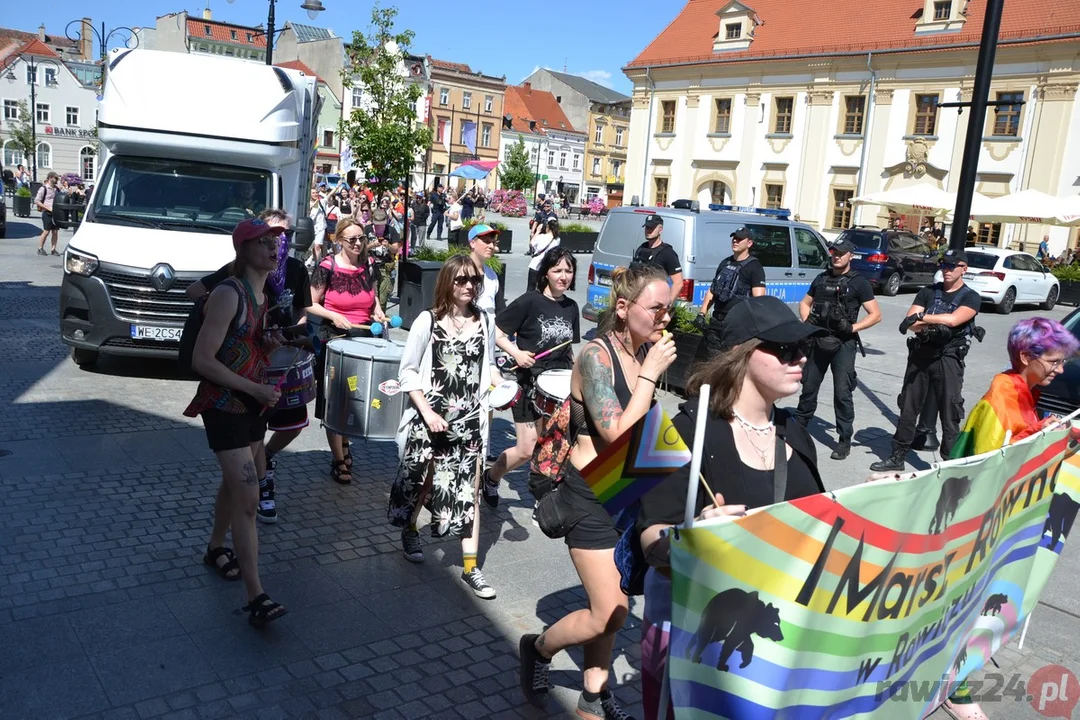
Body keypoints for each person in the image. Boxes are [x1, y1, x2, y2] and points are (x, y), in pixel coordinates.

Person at [635, 295, 827, 720]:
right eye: (783, 348)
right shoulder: (686, 430)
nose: (799, 358)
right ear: (742, 353)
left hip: (780, 649)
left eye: (803, 348)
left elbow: (818, 524)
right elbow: (648, 536)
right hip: (696, 648)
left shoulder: (795, 433)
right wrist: (694, 535)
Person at [518, 263, 676, 720]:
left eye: (669, 309)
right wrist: (650, 373)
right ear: (624, 308)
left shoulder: (641, 350)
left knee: (615, 597)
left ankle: (593, 691)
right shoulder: (594, 355)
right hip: (587, 493)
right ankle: (540, 647)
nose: (664, 318)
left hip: (627, 489)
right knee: (612, 611)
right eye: (656, 308)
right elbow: (615, 434)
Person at [186, 209, 342, 522]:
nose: (278, 241)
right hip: (243, 376)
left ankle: (264, 465)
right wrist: (228, 324)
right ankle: (260, 485)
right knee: (244, 463)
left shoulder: (295, 268)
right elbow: (195, 293)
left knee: (294, 423)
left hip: (279, 359)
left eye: (283, 234)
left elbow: (302, 308)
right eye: (272, 234)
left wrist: (295, 332)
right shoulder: (236, 278)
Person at [183, 218, 289, 627]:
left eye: (275, 243)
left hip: (251, 402)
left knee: (245, 476)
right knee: (248, 499)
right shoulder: (229, 293)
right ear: (242, 249)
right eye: (263, 244)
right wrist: (257, 388)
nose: (272, 250)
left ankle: (214, 549)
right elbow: (202, 360)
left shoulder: (260, 296)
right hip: (224, 404)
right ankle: (256, 596)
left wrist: (266, 342)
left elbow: (239, 343)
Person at [389, 255, 501, 597]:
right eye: (461, 280)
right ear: (447, 283)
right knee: (422, 482)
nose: (469, 286)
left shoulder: (485, 321)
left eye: (474, 281)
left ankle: (470, 568)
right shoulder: (428, 321)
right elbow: (407, 372)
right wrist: (428, 413)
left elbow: (491, 365)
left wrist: (500, 386)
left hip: (468, 422)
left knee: (469, 493)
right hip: (430, 418)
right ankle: (410, 528)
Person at [485, 248, 580, 506]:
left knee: (555, 446)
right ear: (545, 273)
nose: (563, 276)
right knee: (527, 449)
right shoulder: (529, 301)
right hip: (529, 383)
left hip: (559, 387)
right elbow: (496, 332)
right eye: (557, 270)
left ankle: (544, 499)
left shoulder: (572, 307)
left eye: (568, 271)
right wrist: (517, 353)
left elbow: (568, 348)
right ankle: (491, 478)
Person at [871, 249, 981, 472]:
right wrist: (921, 321)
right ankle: (897, 456)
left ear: (964, 269)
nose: (947, 270)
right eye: (944, 265)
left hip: (948, 358)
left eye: (952, 266)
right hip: (921, 355)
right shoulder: (928, 292)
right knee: (908, 407)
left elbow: (952, 320)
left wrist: (922, 317)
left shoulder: (971, 297)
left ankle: (950, 465)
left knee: (950, 413)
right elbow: (909, 323)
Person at [310, 217, 390, 484]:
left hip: (364, 337)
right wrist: (333, 316)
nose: (358, 244)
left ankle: (344, 444)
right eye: (352, 240)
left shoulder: (368, 264)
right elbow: (309, 304)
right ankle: (339, 458)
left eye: (361, 239)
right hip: (334, 338)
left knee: (356, 396)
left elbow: (373, 295)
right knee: (336, 400)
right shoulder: (326, 266)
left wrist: (377, 311)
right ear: (339, 240)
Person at [794, 237, 882, 459]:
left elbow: (876, 315)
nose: (837, 256)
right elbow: (804, 303)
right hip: (818, 340)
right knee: (809, 387)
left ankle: (844, 440)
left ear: (850, 255)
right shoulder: (821, 279)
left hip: (843, 343)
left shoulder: (858, 282)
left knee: (842, 393)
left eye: (841, 253)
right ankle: (799, 429)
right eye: (834, 252)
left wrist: (852, 327)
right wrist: (808, 326)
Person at [699, 228, 767, 352]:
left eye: (740, 239)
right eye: (734, 238)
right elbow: (713, 290)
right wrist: (702, 313)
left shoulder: (754, 267)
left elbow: (759, 300)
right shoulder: (725, 263)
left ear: (749, 243)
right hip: (717, 322)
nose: (735, 241)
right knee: (712, 362)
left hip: (737, 325)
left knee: (730, 365)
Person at [632, 215, 683, 303]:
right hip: (638, 300)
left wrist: (666, 306)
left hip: (655, 302)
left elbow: (678, 283)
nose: (648, 230)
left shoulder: (668, 253)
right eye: (647, 227)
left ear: (660, 230)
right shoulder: (642, 248)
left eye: (652, 227)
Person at [468, 223, 501, 314]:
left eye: (493, 243)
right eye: (486, 242)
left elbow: (500, 309)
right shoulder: (459, 272)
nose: (491, 246)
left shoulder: (492, 275)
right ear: (472, 243)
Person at [528, 217, 561, 290]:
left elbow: (531, 243)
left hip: (535, 265)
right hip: (547, 266)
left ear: (547, 226)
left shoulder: (541, 237)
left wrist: (537, 231)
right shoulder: (557, 240)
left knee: (531, 287)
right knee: (543, 288)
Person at [35, 172, 60, 256]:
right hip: (47, 212)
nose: (57, 180)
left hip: (55, 213)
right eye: (55, 178)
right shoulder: (43, 189)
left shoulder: (57, 189)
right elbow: (37, 201)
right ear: (50, 178)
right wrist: (48, 208)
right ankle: (40, 248)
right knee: (46, 231)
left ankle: (53, 249)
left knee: (55, 232)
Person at [309, 188, 328, 263]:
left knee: (317, 246)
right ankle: (317, 262)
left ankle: (317, 264)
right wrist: (312, 206)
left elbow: (327, 196)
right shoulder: (308, 204)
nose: (315, 194)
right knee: (314, 247)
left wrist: (337, 187)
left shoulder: (321, 202)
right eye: (313, 193)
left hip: (321, 227)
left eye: (316, 192)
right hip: (311, 228)